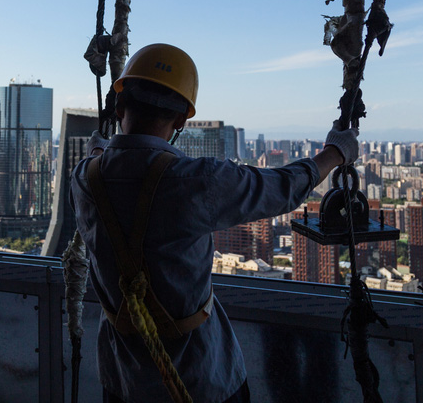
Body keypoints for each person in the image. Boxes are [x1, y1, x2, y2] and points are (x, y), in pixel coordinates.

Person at [71, 43, 358, 403]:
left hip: (122, 378)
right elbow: (282, 188)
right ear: (181, 121)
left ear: (118, 106)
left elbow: (104, 162)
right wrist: (336, 152)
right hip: (200, 378)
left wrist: (98, 151)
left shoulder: (84, 179)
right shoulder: (195, 181)